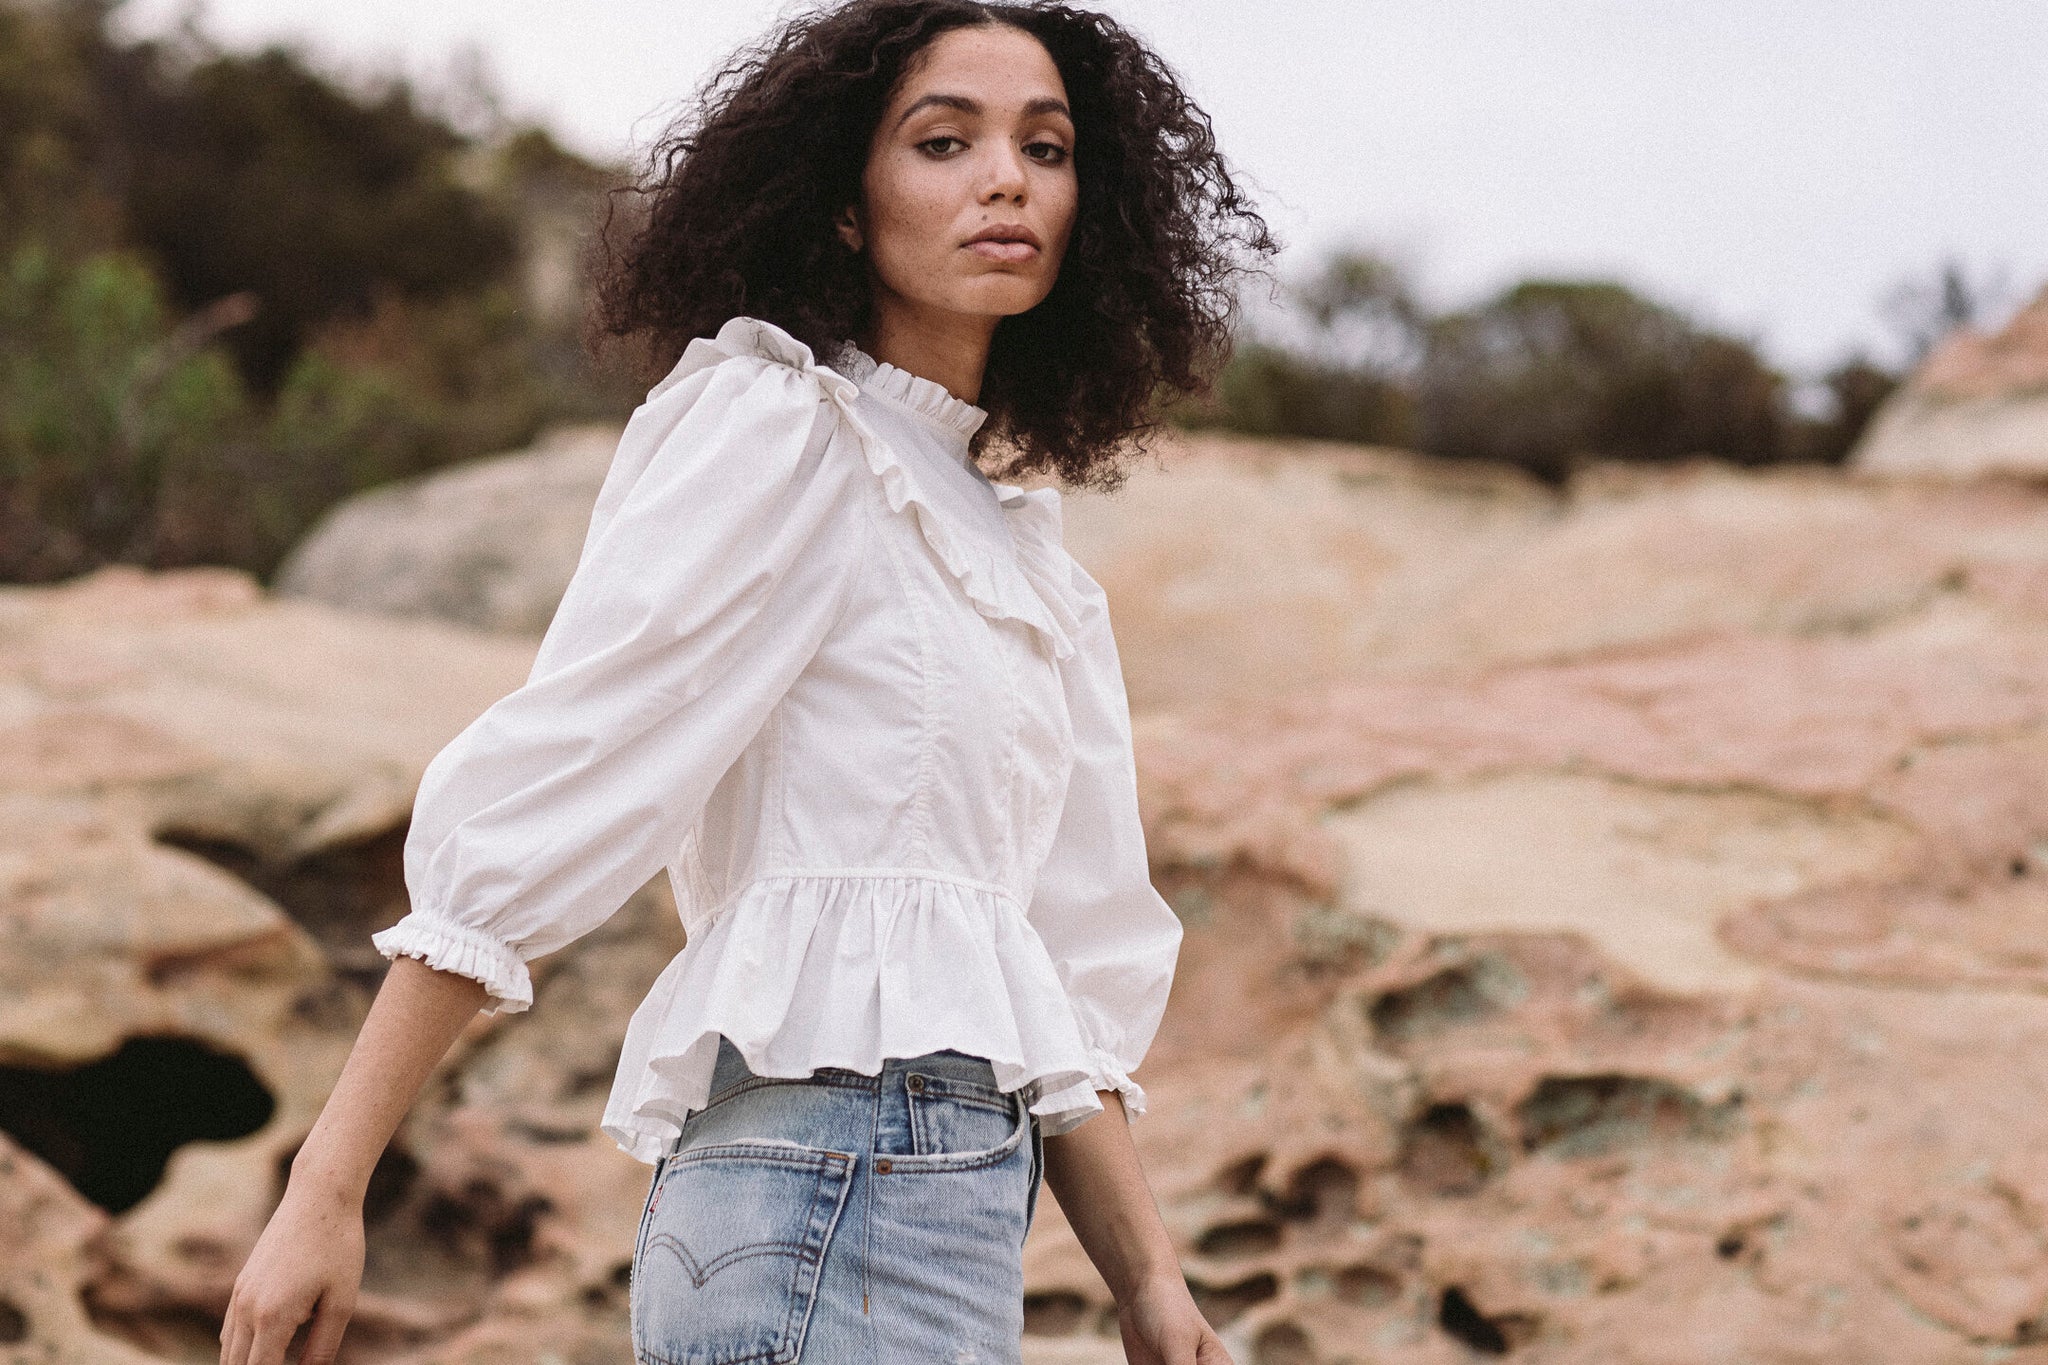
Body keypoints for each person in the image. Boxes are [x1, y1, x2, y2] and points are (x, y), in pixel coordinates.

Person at [217, 2, 1276, 1362]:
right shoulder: (784, 433)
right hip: (813, 1198)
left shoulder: (1029, 561)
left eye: (1047, 146)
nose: (1006, 178)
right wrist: (327, 1185)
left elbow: (1050, 968)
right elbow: (565, 778)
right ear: (844, 207)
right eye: (944, 142)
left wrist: (1150, 1286)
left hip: (952, 1216)